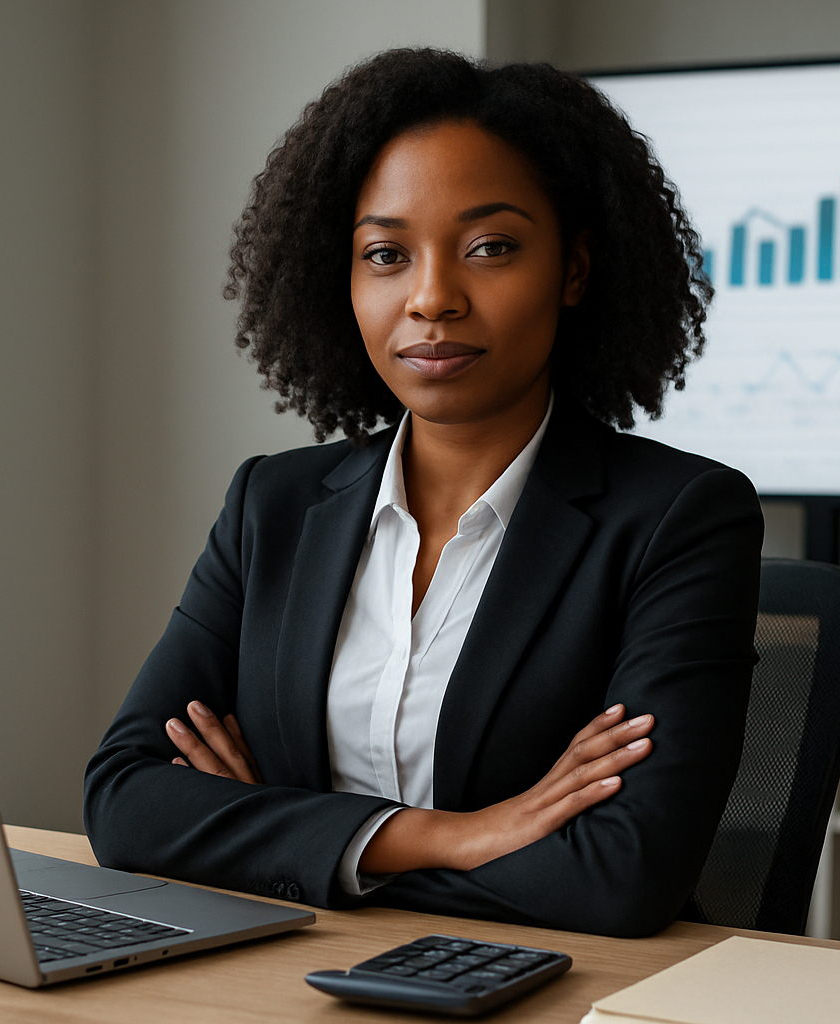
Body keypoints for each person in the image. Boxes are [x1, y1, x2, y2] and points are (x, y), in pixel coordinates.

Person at [84, 48, 763, 938]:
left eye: (491, 247)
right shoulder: (273, 505)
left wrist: (278, 836)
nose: (433, 298)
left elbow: (620, 877)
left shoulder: (679, 518)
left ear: (574, 269)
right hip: (289, 984)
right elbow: (126, 802)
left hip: (556, 986)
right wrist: (455, 837)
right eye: (386, 254)